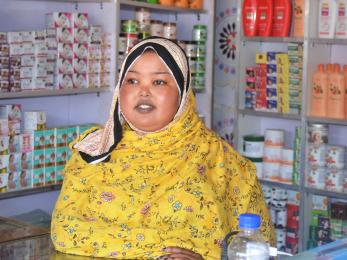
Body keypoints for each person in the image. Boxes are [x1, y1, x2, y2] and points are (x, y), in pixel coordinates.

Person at [51, 37, 275, 259]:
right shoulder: (94, 152)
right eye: (132, 81)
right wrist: (162, 250)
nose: (143, 91)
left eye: (158, 82)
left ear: (183, 92)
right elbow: (64, 231)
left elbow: (260, 246)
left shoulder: (220, 160)